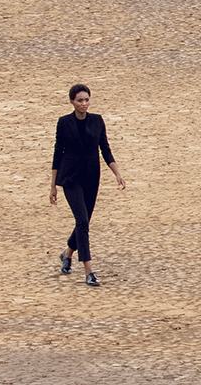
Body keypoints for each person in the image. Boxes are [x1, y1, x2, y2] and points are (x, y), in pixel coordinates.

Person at [49, 83, 124, 286]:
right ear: (72, 101)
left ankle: (67, 254)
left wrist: (117, 173)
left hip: (91, 178)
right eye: (80, 100)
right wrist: (53, 185)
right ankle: (88, 271)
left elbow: (105, 149)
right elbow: (58, 153)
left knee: (84, 222)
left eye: (87, 99)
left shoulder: (97, 121)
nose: (84, 103)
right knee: (82, 221)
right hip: (70, 178)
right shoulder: (64, 123)